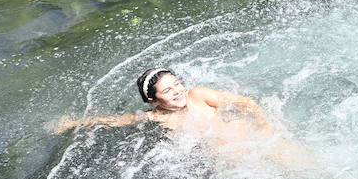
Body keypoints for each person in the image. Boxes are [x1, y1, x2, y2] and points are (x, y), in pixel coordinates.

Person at [55, 68, 308, 161]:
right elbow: (117, 120)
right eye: (168, 90)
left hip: (256, 139)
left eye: (176, 83)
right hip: (230, 162)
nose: (178, 91)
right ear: (154, 100)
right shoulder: (157, 118)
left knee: (301, 165)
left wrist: (265, 127)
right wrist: (72, 124)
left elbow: (247, 103)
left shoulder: (198, 95)